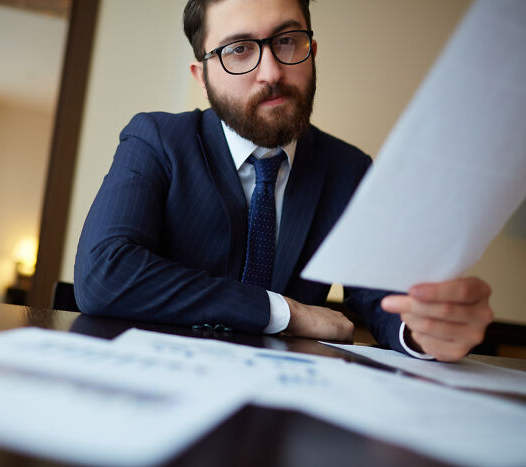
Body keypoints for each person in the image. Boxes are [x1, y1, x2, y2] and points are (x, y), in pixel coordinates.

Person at [74, 0, 493, 362]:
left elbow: (383, 300)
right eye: (239, 50)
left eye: (287, 40)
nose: (271, 72)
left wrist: (426, 330)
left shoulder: (348, 169)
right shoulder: (156, 140)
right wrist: (285, 312)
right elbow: (104, 273)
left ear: (313, 51)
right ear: (201, 76)